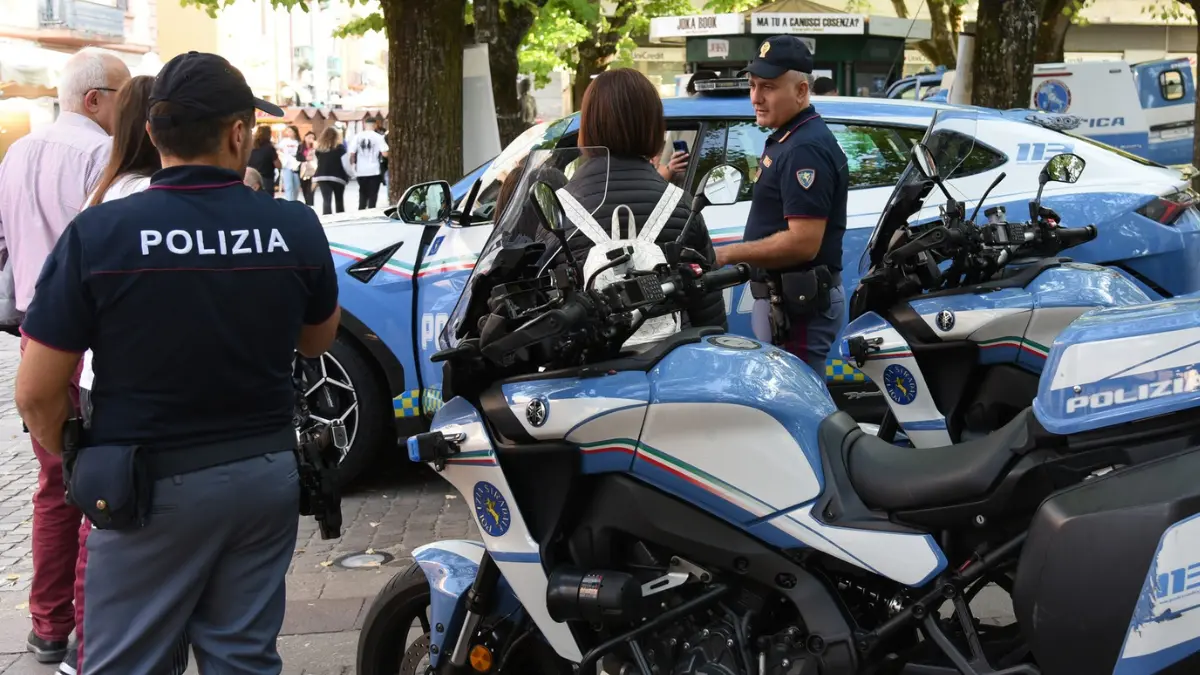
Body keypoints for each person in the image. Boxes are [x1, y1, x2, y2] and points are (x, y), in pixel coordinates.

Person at [13, 50, 340, 674]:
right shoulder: (294, 227)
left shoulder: (100, 233)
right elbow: (317, 341)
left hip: (146, 485)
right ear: (238, 133)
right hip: (262, 475)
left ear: (152, 131)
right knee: (243, 658)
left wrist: (76, 458)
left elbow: (35, 391)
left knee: (128, 661)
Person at [0, 45, 130, 672]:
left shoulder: (18, 153)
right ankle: (86, 624)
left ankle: (48, 624)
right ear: (95, 98)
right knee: (94, 482)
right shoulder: (99, 154)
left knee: (54, 484)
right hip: (85, 337)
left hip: (36, 334)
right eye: (125, 95)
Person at [715, 36, 849, 375]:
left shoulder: (804, 149)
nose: (756, 98)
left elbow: (803, 242)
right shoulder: (792, 138)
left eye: (768, 87)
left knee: (797, 398)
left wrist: (728, 254)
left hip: (797, 305)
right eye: (753, 85)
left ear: (801, 91)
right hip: (786, 301)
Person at [557, 68, 726, 332]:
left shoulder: (558, 211)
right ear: (654, 125)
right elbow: (709, 312)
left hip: (589, 357)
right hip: (670, 354)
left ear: (587, 125)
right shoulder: (681, 206)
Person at [351, 118, 388, 209]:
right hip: (374, 170)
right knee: (373, 195)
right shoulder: (378, 137)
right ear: (375, 125)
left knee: (362, 194)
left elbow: (352, 153)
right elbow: (385, 153)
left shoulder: (357, 136)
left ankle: (361, 210)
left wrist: (353, 166)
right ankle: (371, 211)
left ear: (364, 125)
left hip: (361, 171)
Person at [314, 126, 350, 215]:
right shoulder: (340, 148)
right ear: (336, 136)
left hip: (322, 176)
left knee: (326, 200)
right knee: (339, 200)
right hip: (338, 177)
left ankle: (327, 219)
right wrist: (352, 174)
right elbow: (346, 164)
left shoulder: (319, 149)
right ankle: (340, 218)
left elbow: (317, 162)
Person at [248, 124, 279, 196]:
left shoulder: (251, 146)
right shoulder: (270, 148)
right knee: (267, 201)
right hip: (266, 180)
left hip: (251, 178)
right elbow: (278, 165)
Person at [278, 125, 301, 201]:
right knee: (289, 186)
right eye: (288, 131)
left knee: (296, 186)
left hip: (296, 166)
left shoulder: (298, 142)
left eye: (290, 131)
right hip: (286, 166)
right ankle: (289, 202)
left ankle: (294, 201)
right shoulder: (284, 141)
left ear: (295, 132)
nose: (289, 133)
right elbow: (278, 150)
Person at [298, 131, 317, 205]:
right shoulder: (301, 147)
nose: (311, 139)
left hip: (313, 170)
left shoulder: (315, 147)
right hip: (303, 171)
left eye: (313, 138)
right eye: (309, 137)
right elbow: (298, 157)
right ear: (305, 138)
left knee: (311, 190)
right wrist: (305, 158)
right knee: (304, 189)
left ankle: (310, 204)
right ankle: (307, 204)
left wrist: (315, 146)